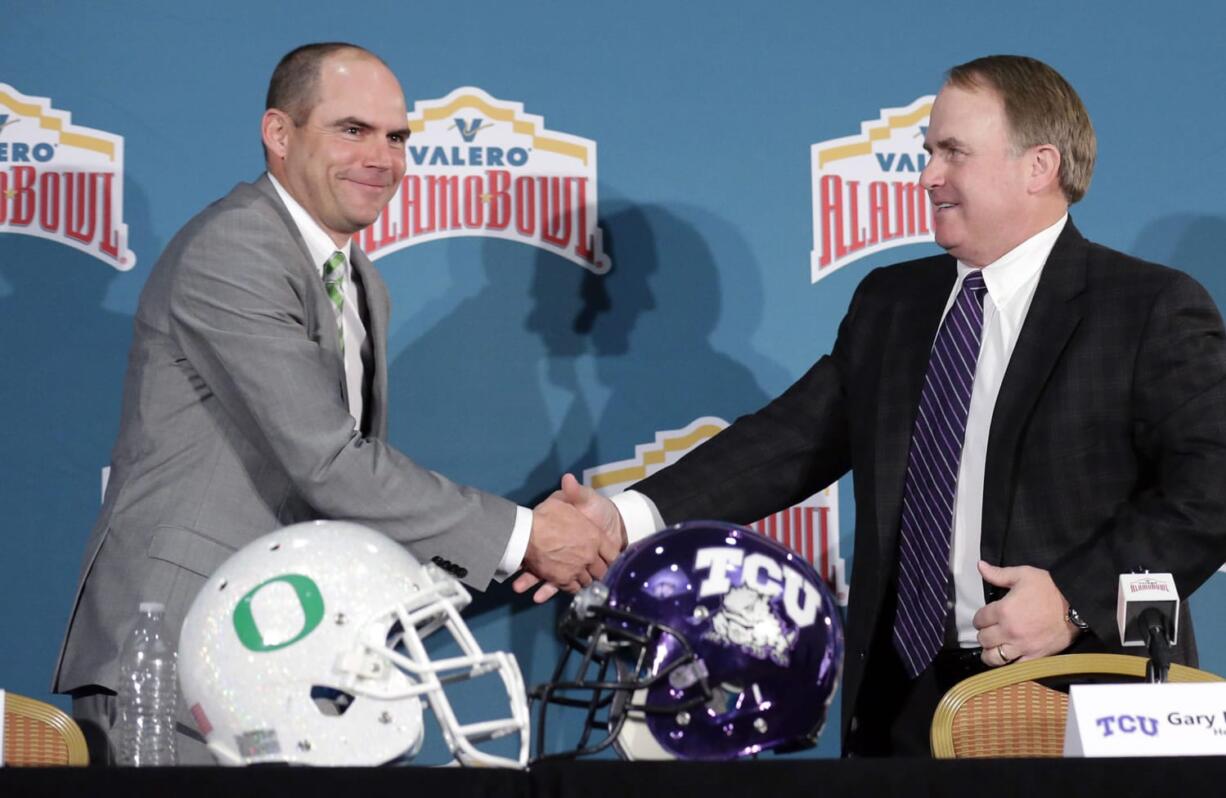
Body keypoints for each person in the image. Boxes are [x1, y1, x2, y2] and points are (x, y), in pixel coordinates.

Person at [523, 55, 1226, 755]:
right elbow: (793, 440)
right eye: (927, 153)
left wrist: (1072, 600)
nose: (927, 177)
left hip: (1072, 698)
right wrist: (625, 517)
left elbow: (1211, 489)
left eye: (953, 152)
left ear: (1038, 166)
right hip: (901, 699)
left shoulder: (1147, 307)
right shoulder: (893, 302)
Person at [53, 42, 617, 764]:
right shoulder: (238, 248)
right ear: (279, 135)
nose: (381, 158)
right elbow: (327, 462)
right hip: (177, 655)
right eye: (352, 130)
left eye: (397, 137)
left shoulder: (358, 277)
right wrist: (523, 538)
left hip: (278, 652)